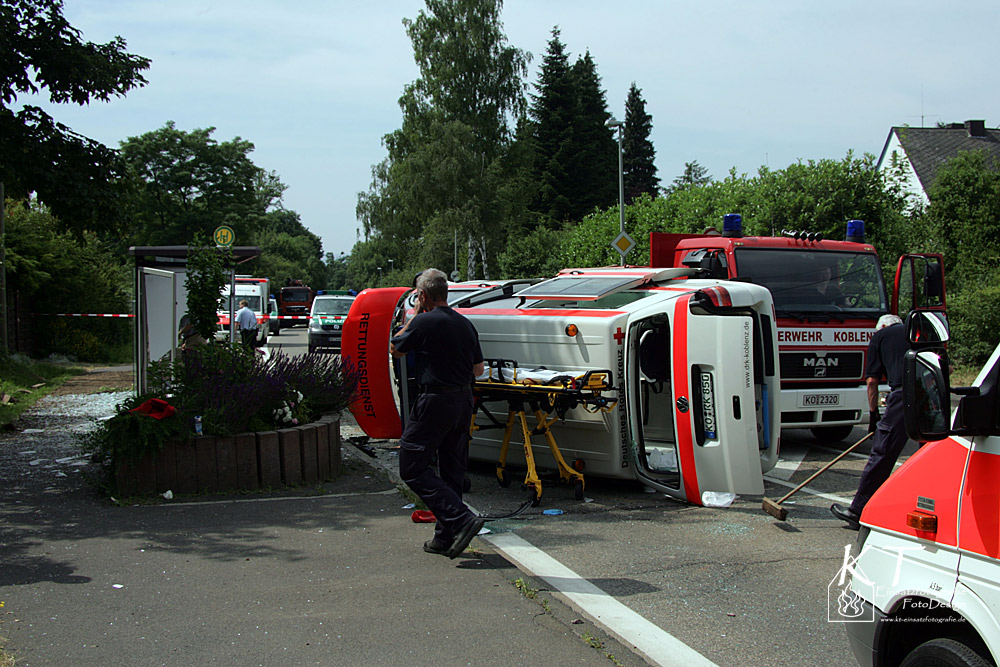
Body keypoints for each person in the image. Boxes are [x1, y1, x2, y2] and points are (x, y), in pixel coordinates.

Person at [390, 268, 486, 559]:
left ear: (421, 295)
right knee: (453, 469)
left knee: (411, 465)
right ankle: (445, 536)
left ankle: (460, 518)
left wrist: (417, 315)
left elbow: (396, 348)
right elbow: (478, 370)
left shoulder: (423, 322)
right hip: (462, 400)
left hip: (435, 401)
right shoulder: (465, 323)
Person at [831, 314, 907, 530]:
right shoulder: (918, 332)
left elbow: (872, 381)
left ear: (882, 327)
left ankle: (858, 511)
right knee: (925, 456)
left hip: (903, 396)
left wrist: (874, 416)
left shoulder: (880, 336)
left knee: (882, 453)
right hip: (930, 394)